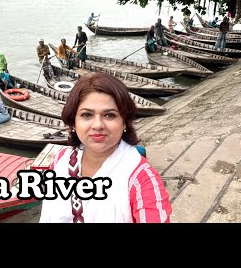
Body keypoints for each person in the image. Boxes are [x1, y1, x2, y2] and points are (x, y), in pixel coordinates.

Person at [39, 72, 172, 223]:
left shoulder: (140, 178)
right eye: (87, 115)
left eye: (109, 115)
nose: (97, 125)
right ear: (74, 122)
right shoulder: (60, 160)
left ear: (124, 122)